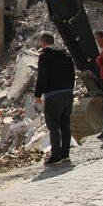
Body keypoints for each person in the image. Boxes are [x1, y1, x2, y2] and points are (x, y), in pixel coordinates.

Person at [34, 32, 76, 165]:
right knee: (65, 124)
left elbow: (43, 76)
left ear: (43, 43)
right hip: (68, 93)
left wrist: (38, 94)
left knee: (53, 126)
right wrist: (69, 89)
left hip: (53, 95)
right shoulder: (66, 54)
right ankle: (65, 154)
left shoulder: (45, 55)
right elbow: (72, 73)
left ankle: (56, 156)